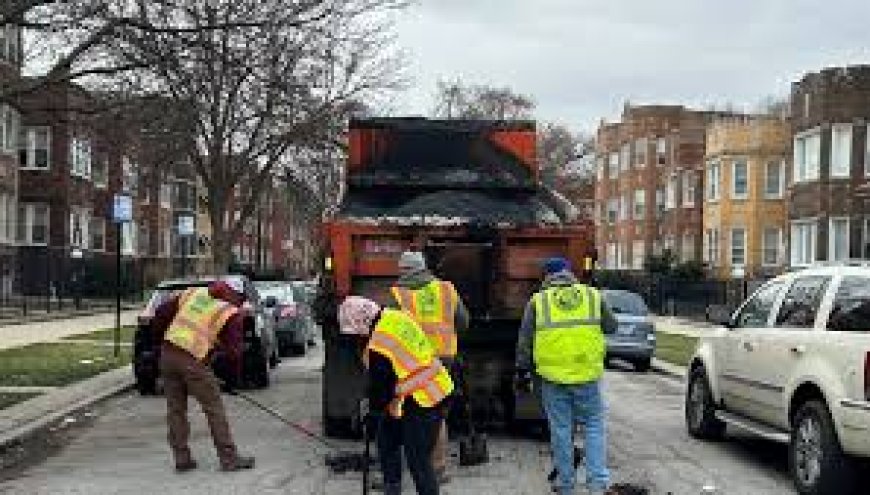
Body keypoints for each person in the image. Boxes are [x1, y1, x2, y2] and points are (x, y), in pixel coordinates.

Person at [515, 257, 616, 495]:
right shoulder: (592, 296)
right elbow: (612, 326)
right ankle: (597, 484)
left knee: (561, 430)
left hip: (553, 379)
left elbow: (525, 341)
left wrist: (522, 370)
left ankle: (566, 485)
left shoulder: (538, 301)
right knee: (593, 427)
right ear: (570, 273)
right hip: (587, 376)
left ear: (546, 277)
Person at [339, 296, 454, 495]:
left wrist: (370, 414)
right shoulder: (394, 316)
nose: (355, 337)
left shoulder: (378, 345)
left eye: (354, 331)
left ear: (361, 323)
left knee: (418, 459)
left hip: (425, 399)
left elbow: (382, 390)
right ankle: (392, 487)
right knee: (387, 439)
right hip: (419, 390)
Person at [151, 277, 255, 473]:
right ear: (236, 294)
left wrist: (160, 343)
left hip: (168, 354)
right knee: (214, 408)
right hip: (192, 360)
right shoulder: (231, 313)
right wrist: (234, 381)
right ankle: (229, 458)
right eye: (242, 298)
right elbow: (234, 354)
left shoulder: (193, 294)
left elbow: (160, 313)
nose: (241, 303)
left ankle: (182, 458)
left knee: (176, 410)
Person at [389, 251, 469, 482]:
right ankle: (438, 469)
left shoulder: (398, 294)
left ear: (403, 270)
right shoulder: (446, 289)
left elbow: (389, 330)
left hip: (411, 362)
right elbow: (463, 322)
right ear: (424, 268)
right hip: (443, 360)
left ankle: (410, 466)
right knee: (437, 413)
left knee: (407, 411)